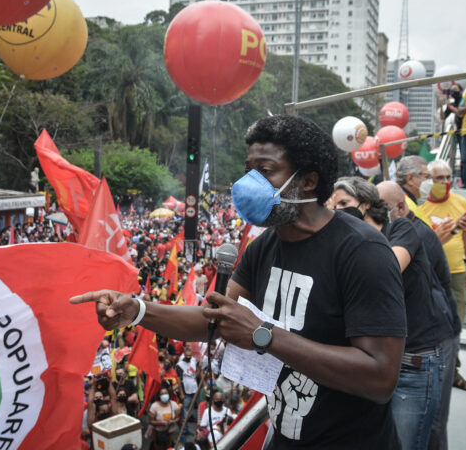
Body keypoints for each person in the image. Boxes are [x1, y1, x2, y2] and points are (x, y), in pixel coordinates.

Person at [71, 114, 407, 449]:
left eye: (265, 170)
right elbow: (214, 320)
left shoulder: (362, 251)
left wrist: (263, 334)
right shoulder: (264, 247)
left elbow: (380, 377)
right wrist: (139, 310)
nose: (249, 182)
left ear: (308, 181)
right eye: (249, 170)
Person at [332, 177, 447, 450]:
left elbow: (387, 269)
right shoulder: (346, 244)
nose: (336, 212)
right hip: (371, 364)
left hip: (412, 365)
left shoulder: (401, 229)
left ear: (367, 204)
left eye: (344, 204)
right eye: (332, 205)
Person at [378, 180, 461, 450]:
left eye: (381, 208)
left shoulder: (413, 232)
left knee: (431, 422)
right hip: (423, 332)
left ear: (400, 207)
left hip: (434, 334)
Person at [421, 159, 466, 393]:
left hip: (456, 272)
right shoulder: (420, 208)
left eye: (448, 177)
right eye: (439, 178)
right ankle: (438, 371)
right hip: (430, 272)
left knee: (456, 325)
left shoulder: (460, 201)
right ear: (428, 181)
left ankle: (452, 372)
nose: (445, 182)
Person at [394, 155, 434, 227]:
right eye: (427, 177)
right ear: (410, 178)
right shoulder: (407, 207)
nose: (430, 182)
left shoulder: (405, 200)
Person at [147, 385, 181, 450]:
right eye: (162, 394)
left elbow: (177, 418)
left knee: (168, 446)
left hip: (170, 431)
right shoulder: (154, 406)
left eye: (166, 393)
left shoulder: (174, 404)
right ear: (159, 396)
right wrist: (161, 422)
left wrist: (172, 421)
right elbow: (150, 421)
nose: (164, 395)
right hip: (158, 433)